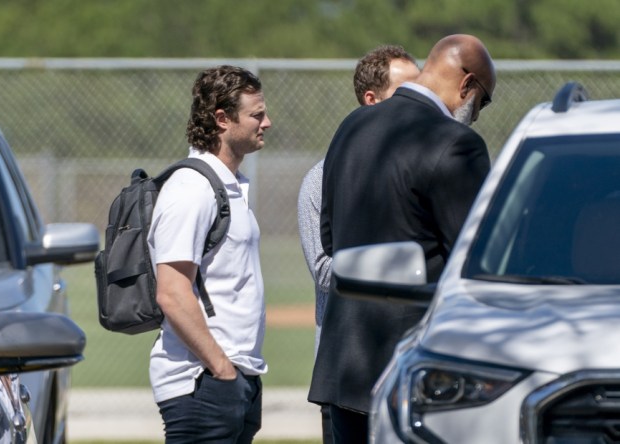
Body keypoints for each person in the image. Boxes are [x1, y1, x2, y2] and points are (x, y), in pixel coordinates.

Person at [309, 34, 495, 443]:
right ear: (466, 86)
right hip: (414, 375)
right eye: (482, 102)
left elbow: (330, 237)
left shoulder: (351, 126)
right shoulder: (456, 144)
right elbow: (476, 263)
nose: (476, 114)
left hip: (345, 366)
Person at [296, 44, 419, 444]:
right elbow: (325, 269)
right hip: (350, 372)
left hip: (412, 367)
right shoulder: (323, 176)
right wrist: (400, 264)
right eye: (408, 89)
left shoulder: (422, 167)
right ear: (371, 100)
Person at [147, 65, 271, 443]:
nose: (267, 123)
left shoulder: (227, 185)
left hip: (231, 378)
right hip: (202, 382)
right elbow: (171, 292)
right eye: (257, 115)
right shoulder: (192, 190)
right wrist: (221, 369)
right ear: (222, 119)